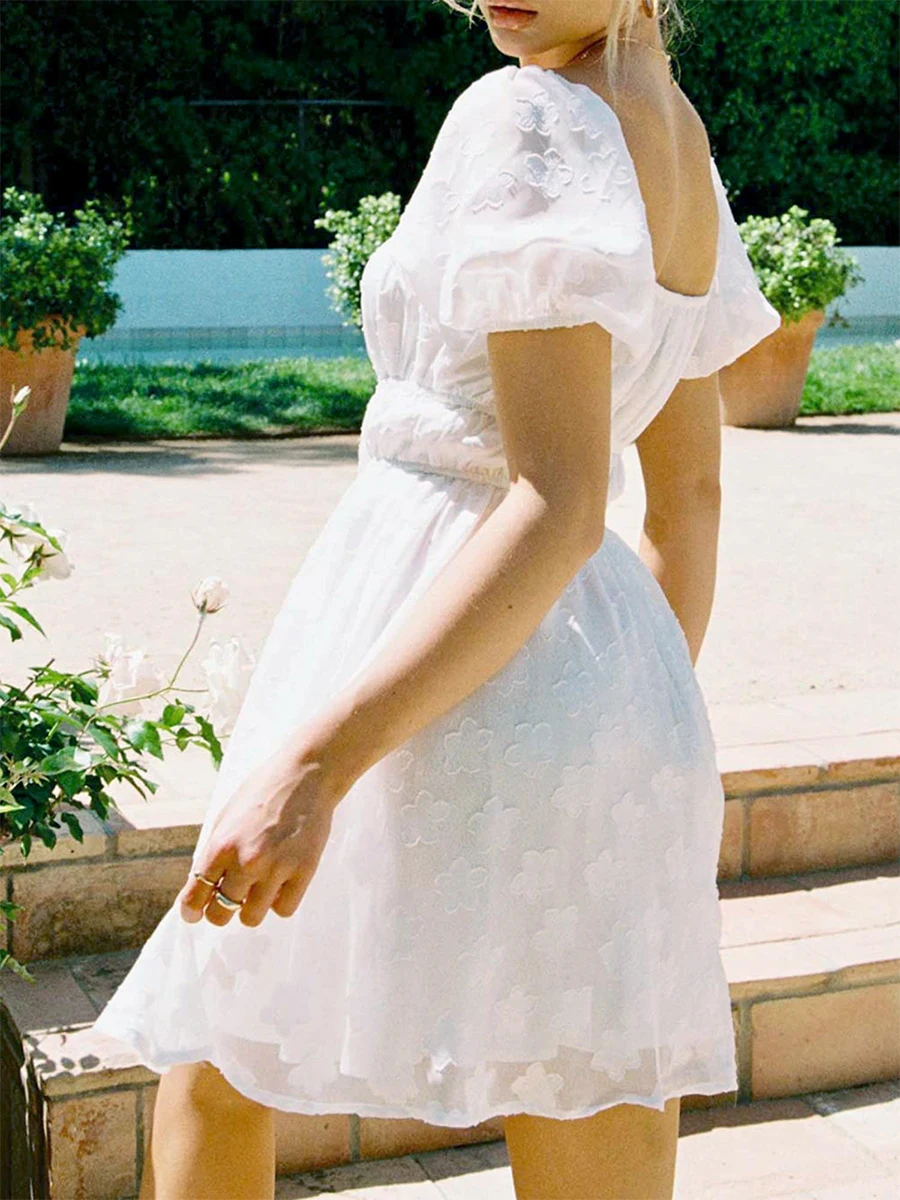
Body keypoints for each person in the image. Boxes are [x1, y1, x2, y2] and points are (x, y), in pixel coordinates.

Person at [92, 1, 782, 1196]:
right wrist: (618, 728)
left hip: (420, 636)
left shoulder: (525, 115)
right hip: (621, 685)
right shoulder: (683, 145)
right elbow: (691, 501)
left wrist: (316, 764)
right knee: (590, 1094)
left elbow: (555, 500)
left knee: (218, 1056)